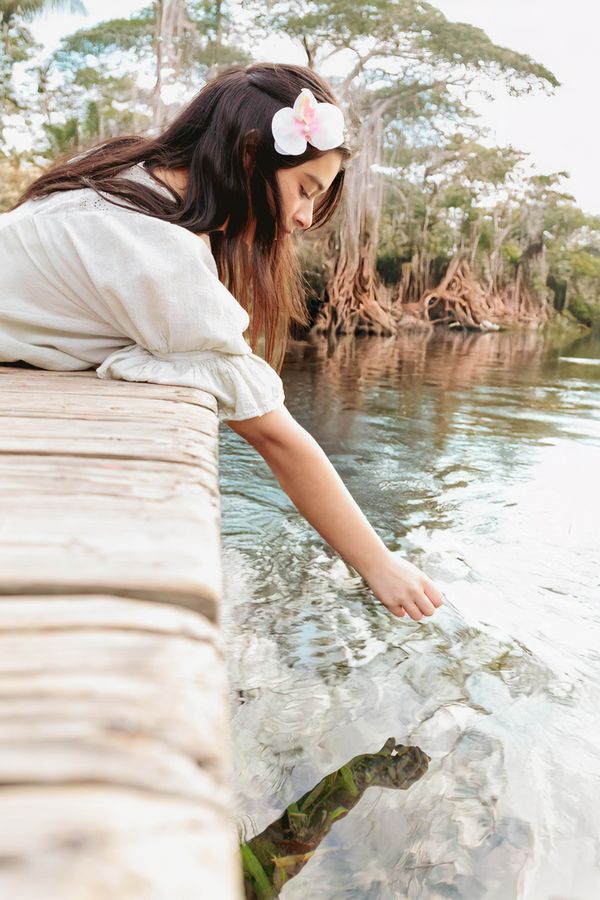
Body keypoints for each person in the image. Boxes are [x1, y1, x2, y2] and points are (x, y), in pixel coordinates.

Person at [0, 62, 443, 622]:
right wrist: (379, 564)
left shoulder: (127, 174)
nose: (305, 218)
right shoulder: (160, 255)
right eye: (305, 190)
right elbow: (278, 439)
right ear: (251, 155)